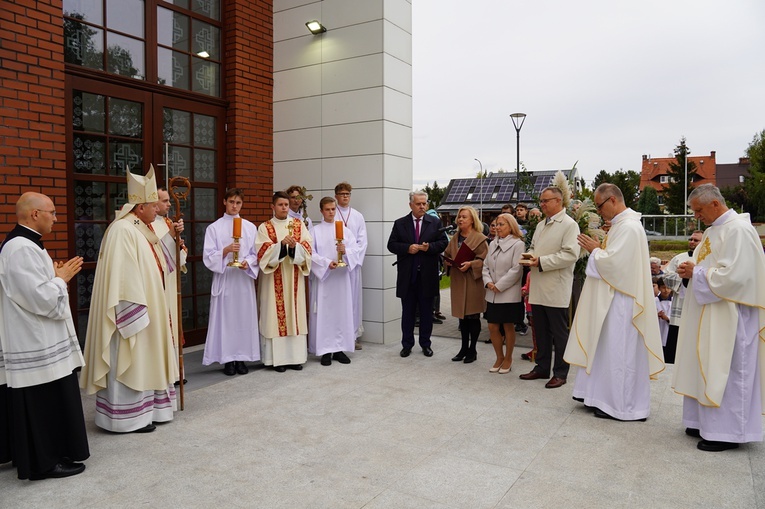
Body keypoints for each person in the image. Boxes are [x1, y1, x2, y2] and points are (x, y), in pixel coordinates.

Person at [81, 166, 178, 433]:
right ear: (140, 207)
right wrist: (134, 312)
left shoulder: (141, 229)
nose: (157, 210)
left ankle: (149, 412)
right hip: (134, 313)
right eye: (152, 206)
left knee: (146, 360)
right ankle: (127, 419)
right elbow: (122, 279)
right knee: (131, 360)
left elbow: (162, 263)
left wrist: (173, 237)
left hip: (151, 309)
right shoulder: (123, 230)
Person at [0, 192, 89, 480]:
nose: (56, 217)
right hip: (34, 342)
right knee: (42, 404)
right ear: (34, 214)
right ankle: (44, 463)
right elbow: (39, 298)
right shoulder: (20, 249)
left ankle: (44, 456)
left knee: (45, 401)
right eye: (51, 212)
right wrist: (60, 279)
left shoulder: (27, 245)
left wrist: (55, 276)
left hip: (39, 338)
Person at [673, 184, 765, 452]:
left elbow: (737, 276)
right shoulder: (714, 230)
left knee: (728, 369)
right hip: (709, 311)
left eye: (699, 210)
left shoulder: (739, 230)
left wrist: (698, 273)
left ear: (715, 204)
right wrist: (690, 271)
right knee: (704, 364)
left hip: (732, 318)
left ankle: (727, 432)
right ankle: (701, 421)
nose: (696, 216)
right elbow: (708, 265)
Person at [564, 183, 664, 421]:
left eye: (599, 206)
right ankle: (600, 396)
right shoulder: (620, 225)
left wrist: (596, 250)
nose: (599, 212)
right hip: (613, 299)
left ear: (612, 200)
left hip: (623, 302)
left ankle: (622, 406)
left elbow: (616, 265)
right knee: (607, 349)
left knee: (620, 352)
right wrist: (599, 251)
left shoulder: (629, 227)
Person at [518, 186, 580, 389]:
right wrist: (529, 256)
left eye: (546, 201)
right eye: (541, 201)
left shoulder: (569, 225)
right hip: (538, 284)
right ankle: (542, 367)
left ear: (558, 201)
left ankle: (561, 373)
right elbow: (534, 246)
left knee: (559, 332)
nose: (542, 204)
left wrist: (541, 261)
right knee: (541, 331)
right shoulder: (541, 225)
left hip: (555, 286)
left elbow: (570, 255)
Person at [202, 188, 260, 376]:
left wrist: (247, 263)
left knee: (243, 318)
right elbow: (208, 256)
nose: (235, 206)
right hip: (226, 278)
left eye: (238, 203)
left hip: (242, 280)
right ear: (224, 202)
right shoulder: (214, 228)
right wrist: (225, 251)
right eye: (232, 202)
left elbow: (256, 254)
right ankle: (227, 359)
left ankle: (241, 357)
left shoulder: (250, 227)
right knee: (226, 321)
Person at [387, 191, 449, 358]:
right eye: (418, 204)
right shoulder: (400, 223)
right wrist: (408, 248)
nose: (422, 207)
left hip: (427, 275)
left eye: (424, 204)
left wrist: (430, 248)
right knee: (407, 313)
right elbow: (391, 245)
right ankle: (407, 345)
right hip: (408, 275)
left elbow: (443, 243)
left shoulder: (435, 222)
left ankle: (425, 344)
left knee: (427, 312)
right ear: (410, 205)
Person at [256, 191, 312, 372]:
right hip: (274, 279)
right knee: (274, 315)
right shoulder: (265, 227)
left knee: (294, 315)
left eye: (286, 205)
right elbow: (262, 252)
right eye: (280, 205)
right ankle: (277, 360)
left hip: (294, 275)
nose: (284, 208)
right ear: (272, 207)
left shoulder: (298, 225)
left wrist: (296, 247)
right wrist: (281, 246)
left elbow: (308, 247)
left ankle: (296, 358)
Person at [308, 197, 361, 366]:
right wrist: (325, 263)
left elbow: (356, 249)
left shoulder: (344, 231)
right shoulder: (315, 231)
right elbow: (310, 253)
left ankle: (339, 349)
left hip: (341, 279)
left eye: (333, 209)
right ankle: (325, 350)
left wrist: (345, 252)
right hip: (325, 279)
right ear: (321, 211)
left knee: (341, 312)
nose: (331, 212)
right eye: (327, 209)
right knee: (325, 314)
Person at [444, 206, 487, 364]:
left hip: (473, 282)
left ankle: (472, 349)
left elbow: (485, 260)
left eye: (464, 217)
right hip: (458, 280)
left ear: (472, 220)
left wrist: (472, 264)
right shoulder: (455, 237)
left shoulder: (480, 238)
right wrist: (448, 262)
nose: (460, 219)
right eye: (459, 217)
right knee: (462, 319)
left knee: (472, 317)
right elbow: (448, 254)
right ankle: (463, 348)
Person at [482, 213, 525, 373]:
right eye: (496, 225)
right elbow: (485, 265)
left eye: (501, 225)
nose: (497, 228)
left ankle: (508, 358)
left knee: (507, 326)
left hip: (507, 293)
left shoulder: (517, 244)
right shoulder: (493, 243)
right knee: (492, 326)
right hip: (492, 292)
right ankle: (499, 356)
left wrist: (499, 285)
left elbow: (516, 269)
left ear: (511, 226)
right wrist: (488, 282)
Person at [155, 187, 187, 385]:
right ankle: (163, 374)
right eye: (164, 200)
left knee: (173, 325)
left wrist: (177, 240)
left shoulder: (168, 222)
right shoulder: (144, 226)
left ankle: (176, 372)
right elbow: (154, 253)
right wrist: (170, 236)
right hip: (157, 283)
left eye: (168, 200)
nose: (168, 204)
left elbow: (179, 256)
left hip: (171, 280)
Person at [661, 230, 702, 363]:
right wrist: (683, 279)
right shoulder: (679, 258)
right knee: (674, 352)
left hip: (698, 308)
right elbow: (666, 276)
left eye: (696, 240)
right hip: (679, 310)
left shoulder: (706, 258)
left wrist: (694, 276)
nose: (691, 242)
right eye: (690, 239)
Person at [334, 182, 367, 349]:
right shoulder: (332, 214)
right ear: (336, 196)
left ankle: (353, 336)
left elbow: (363, 242)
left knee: (353, 300)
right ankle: (337, 335)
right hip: (336, 266)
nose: (345, 196)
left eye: (347, 193)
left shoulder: (357, 216)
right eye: (342, 194)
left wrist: (350, 257)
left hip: (352, 265)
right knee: (338, 301)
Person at [655, 278, 672, 350]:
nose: (666, 290)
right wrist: (656, 315)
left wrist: (667, 318)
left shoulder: (674, 302)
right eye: (663, 287)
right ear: (659, 288)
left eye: (668, 287)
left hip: (669, 334)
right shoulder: (654, 301)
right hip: (657, 332)